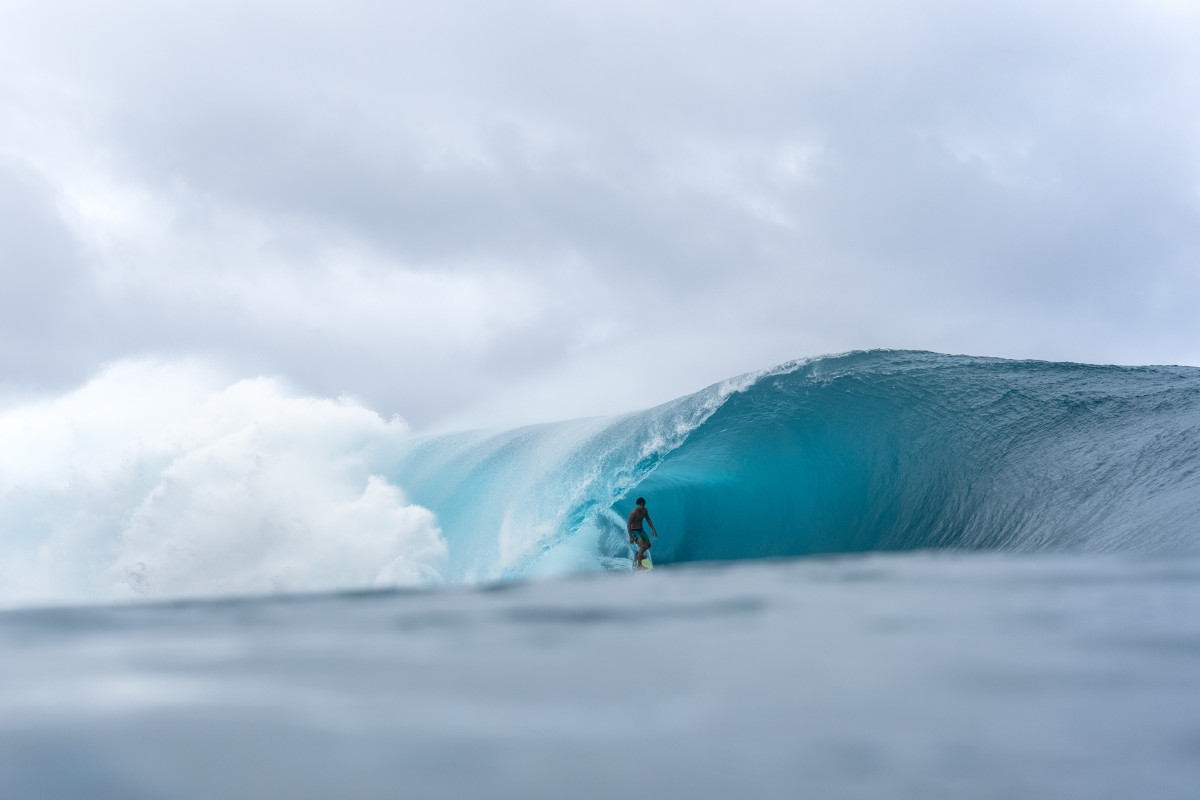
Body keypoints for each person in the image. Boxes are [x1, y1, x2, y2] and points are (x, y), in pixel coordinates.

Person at [627, 497, 658, 569]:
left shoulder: (645, 510)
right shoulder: (634, 512)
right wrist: (631, 537)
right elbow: (628, 525)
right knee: (642, 546)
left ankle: (639, 554)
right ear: (637, 504)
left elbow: (648, 519)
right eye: (640, 505)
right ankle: (639, 565)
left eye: (643, 505)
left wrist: (653, 529)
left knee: (648, 545)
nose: (641, 506)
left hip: (641, 530)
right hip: (635, 531)